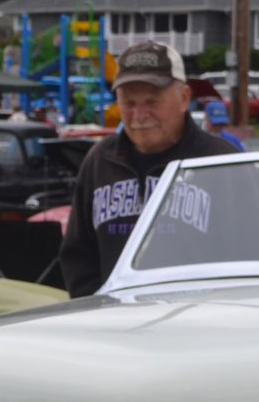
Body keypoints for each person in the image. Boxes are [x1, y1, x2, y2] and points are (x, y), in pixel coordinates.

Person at [58, 40, 238, 298]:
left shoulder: (221, 163)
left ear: (184, 98)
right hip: (116, 329)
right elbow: (78, 257)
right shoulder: (100, 161)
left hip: (198, 325)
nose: (139, 114)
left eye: (152, 101)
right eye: (129, 103)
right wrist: (97, 313)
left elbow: (258, 254)